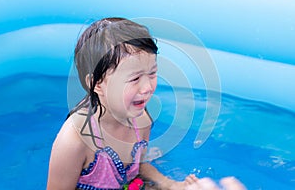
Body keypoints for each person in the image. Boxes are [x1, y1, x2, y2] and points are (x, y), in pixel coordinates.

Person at [47, 17, 246, 190]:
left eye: (152, 73)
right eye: (134, 79)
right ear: (96, 84)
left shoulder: (140, 118)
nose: (147, 88)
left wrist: (170, 184)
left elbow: (137, 166)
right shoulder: (74, 141)